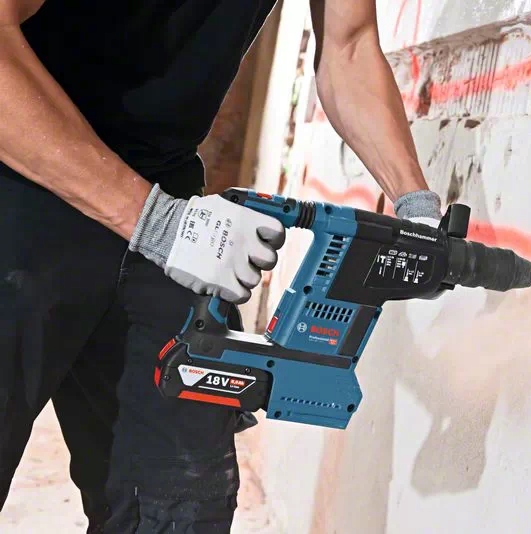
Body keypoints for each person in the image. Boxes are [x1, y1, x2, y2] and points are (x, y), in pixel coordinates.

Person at [0, 0, 443, 531]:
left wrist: (416, 205)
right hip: (21, 170)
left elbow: (348, 47)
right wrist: (158, 224)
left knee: (180, 503)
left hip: (164, 191)